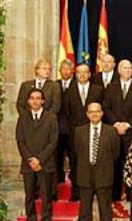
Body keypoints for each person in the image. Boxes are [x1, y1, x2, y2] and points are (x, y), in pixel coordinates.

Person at [71, 103, 120, 221]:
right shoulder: (79, 131)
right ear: (87, 114)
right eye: (91, 112)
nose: (94, 114)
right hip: (85, 172)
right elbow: (77, 151)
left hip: (104, 172)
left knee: (105, 204)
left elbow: (115, 153)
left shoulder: (111, 131)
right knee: (85, 204)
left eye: (97, 111)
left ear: (102, 113)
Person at [16, 88, 58, 221]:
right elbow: (20, 141)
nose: (35, 101)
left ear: (43, 101)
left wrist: (39, 159)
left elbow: (53, 142)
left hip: (45, 163)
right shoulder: (22, 118)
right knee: (29, 197)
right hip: (28, 164)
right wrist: (30, 160)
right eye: (32, 98)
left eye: (38, 98)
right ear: (28, 101)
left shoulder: (51, 118)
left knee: (46, 196)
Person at [103, 59, 132, 201]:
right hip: (114, 132)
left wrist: (127, 124)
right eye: (125, 68)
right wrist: (116, 123)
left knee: (131, 163)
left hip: (131, 132)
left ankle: (130, 194)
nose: (128, 70)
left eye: (130, 68)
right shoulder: (111, 87)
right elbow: (106, 107)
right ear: (119, 70)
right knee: (114, 163)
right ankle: (114, 195)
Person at [64, 64, 104, 201]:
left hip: (95, 132)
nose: (82, 75)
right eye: (79, 72)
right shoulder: (69, 91)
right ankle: (76, 192)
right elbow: (66, 114)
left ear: (89, 74)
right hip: (75, 134)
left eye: (85, 72)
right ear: (75, 74)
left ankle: (95, 192)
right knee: (76, 163)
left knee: (95, 163)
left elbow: (101, 112)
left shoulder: (98, 90)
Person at [54, 59, 75, 200]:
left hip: (73, 129)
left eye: (69, 69)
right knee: (56, 157)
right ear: (60, 71)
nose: (66, 72)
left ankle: (74, 182)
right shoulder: (54, 85)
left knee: (74, 157)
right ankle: (58, 182)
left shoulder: (76, 85)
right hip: (57, 128)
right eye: (63, 69)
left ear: (72, 71)